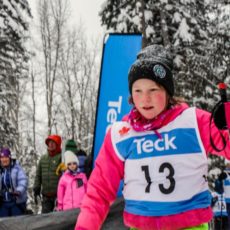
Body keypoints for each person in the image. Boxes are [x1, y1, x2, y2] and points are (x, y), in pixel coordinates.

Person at [75, 44, 230, 230]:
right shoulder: (121, 134)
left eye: (153, 90)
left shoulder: (193, 121)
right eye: (138, 91)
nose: (145, 99)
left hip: (189, 225)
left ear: (167, 91)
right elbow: (99, 190)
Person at [33, 134, 62, 213]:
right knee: (45, 218)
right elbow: (38, 175)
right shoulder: (43, 158)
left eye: (53, 143)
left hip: (58, 196)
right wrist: (36, 188)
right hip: (46, 196)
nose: (51, 144)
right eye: (49, 142)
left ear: (58, 144)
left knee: (58, 219)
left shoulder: (62, 157)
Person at [0, 148, 28, 217]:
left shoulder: (17, 168)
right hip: (3, 202)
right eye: (2, 157)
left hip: (15, 201)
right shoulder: (0, 170)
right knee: (3, 223)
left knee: (16, 222)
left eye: (6, 157)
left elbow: (23, 180)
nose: (4, 159)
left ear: (9, 158)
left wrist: (19, 190)